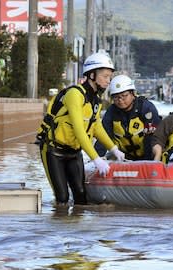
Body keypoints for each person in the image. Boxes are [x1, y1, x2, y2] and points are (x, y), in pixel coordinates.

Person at [37, 51, 125, 206]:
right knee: (62, 198)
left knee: (81, 197)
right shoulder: (75, 94)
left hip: (74, 152)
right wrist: (97, 159)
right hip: (53, 150)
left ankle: (77, 229)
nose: (108, 81)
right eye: (105, 76)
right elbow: (79, 131)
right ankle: (59, 225)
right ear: (91, 75)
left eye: (109, 77)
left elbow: (96, 127)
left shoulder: (96, 100)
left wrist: (114, 149)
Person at [98, 74, 161, 160]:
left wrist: (148, 162)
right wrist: (97, 159)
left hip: (148, 155)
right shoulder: (111, 112)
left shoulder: (145, 108)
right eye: (116, 97)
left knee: (151, 135)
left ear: (132, 94)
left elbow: (155, 137)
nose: (120, 100)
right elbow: (103, 136)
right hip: (124, 157)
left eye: (124, 96)